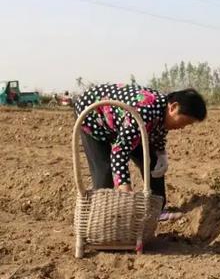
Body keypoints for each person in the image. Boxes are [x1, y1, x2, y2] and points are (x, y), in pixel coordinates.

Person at [74, 84, 206, 220]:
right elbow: (119, 151)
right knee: (104, 169)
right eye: (186, 121)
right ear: (173, 107)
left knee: (151, 160)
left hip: (123, 122)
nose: (183, 127)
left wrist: (161, 154)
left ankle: (156, 210)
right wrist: (125, 188)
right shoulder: (143, 111)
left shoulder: (161, 110)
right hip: (91, 114)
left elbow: (158, 131)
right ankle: (100, 215)